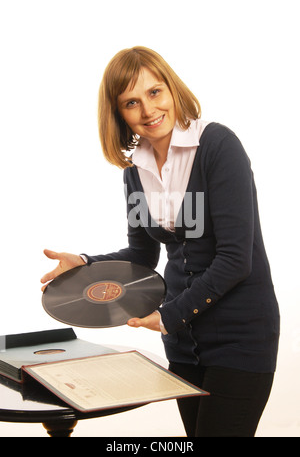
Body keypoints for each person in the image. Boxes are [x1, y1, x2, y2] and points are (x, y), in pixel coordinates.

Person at [41, 46, 280, 437]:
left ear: (172, 89)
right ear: (119, 114)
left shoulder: (218, 147)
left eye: (155, 92)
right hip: (183, 345)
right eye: (131, 102)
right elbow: (141, 255)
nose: (148, 110)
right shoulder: (136, 171)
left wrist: (170, 315)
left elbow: (236, 259)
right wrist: (86, 263)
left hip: (240, 339)